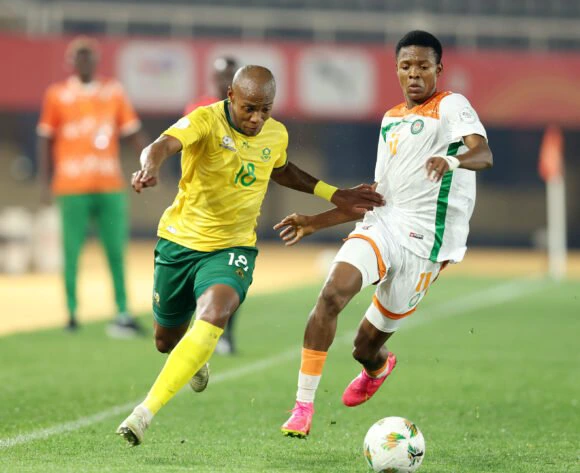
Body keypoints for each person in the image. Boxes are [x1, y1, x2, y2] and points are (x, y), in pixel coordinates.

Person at [115, 65, 385, 446]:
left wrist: (333, 194)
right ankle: (195, 356)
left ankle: (144, 413)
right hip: (180, 242)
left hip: (233, 247)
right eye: (249, 109)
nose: (257, 118)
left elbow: (282, 169)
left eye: (265, 110)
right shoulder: (205, 120)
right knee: (166, 340)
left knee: (215, 313)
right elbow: (160, 145)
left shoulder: (276, 133)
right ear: (231, 97)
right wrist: (149, 167)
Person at [277, 30, 493, 438]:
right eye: (406, 66)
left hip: (426, 245)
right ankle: (302, 407)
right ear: (396, 70)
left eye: (423, 66)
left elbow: (483, 153)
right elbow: (377, 196)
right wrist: (315, 221)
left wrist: (451, 162)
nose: (414, 74)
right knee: (332, 294)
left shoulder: (451, 105)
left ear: (438, 69)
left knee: (364, 347)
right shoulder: (391, 119)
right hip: (384, 226)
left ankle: (377, 366)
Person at [37, 36, 149, 337]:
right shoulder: (57, 95)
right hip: (71, 185)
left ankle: (122, 311)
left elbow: (132, 132)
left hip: (109, 184)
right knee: (71, 252)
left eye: (89, 56)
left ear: (97, 61)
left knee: (115, 251)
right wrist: (44, 182)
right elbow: (45, 139)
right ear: (71, 62)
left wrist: (149, 164)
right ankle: (72, 313)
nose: (84, 61)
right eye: (79, 56)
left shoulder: (113, 92)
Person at [184, 55, 241, 355]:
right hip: (202, 208)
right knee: (198, 271)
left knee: (234, 273)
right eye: (221, 75)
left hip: (236, 208)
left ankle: (227, 334)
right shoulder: (199, 109)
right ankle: (199, 329)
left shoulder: (247, 113)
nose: (225, 81)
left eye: (230, 75)